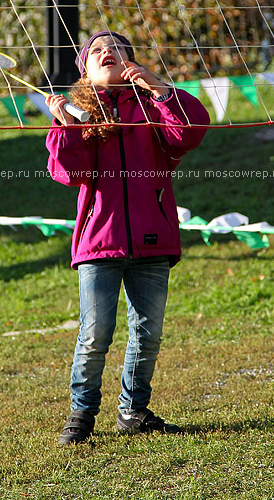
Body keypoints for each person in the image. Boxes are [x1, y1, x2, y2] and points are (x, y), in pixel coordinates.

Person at [45, 31, 210, 444]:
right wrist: (66, 128)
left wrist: (161, 90)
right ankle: (81, 415)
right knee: (94, 333)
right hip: (98, 243)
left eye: (116, 49)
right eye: (97, 50)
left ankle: (133, 411)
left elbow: (188, 134)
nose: (107, 53)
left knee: (148, 333)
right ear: (84, 69)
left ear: (130, 62)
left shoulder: (152, 105)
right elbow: (70, 174)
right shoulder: (77, 113)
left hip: (154, 240)